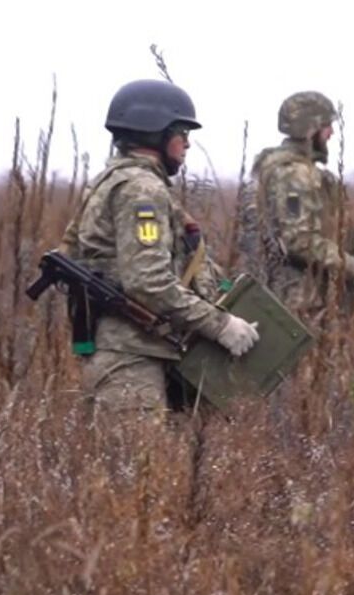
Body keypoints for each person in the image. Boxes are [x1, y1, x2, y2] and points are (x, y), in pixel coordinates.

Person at [62, 79, 259, 414]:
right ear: (155, 133)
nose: (187, 144)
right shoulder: (142, 190)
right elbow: (148, 280)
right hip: (131, 359)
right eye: (182, 132)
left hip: (136, 352)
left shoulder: (113, 182)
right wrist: (219, 325)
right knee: (140, 464)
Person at [253, 90, 354, 320]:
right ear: (310, 130)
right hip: (300, 303)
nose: (331, 132)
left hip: (307, 299)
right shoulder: (292, 176)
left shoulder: (295, 171)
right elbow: (298, 240)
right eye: (326, 125)